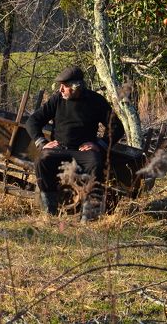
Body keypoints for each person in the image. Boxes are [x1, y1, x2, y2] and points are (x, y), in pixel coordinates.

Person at [25, 65, 125, 220]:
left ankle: (88, 216)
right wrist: (42, 142)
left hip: (83, 152)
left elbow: (116, 127)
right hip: (59, 148)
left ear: (76, 87)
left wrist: (100, 144)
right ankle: (49, 212)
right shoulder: (57, 99)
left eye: (64, 86)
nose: (61, 89)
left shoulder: (95, 101)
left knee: (96, 163)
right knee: (42, 160)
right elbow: (33, 121)